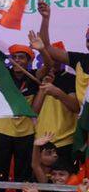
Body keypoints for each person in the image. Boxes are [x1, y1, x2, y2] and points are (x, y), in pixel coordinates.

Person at [0, 31, 50, 185]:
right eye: (14, 57)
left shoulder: (34, 77)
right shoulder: (4, 75)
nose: (17, 61)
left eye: (22, 57)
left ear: (29, 61)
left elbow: (49, 66)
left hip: (26, 134)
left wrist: (42, 49)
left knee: (23, 176)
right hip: (2, 132)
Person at [32, 40, 78, 169]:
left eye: (55, 58)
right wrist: (43, 88)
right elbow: (34, 111)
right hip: (41, 141)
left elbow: (75, 107)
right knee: (39, 182)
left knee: (62, 182)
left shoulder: (70, 78)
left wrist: (57, 92)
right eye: (48, 58)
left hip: (64, 141)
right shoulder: (38, 78)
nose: (52, 61)